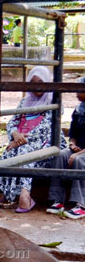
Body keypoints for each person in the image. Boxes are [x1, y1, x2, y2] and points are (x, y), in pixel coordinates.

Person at [0, 66, 67, 213]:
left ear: (48, 82)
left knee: (24, 152)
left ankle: (25, 195)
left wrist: (19, 141)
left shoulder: (53, 102)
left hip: (47, 146)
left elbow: (43, 130)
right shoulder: (25, 101)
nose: (37, 86)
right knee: (8, 153)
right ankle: (5, 193)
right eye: (33, 82)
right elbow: (12, 121)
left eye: (41, 82)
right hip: (23, 142)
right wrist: (15, 134)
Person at [47, 77, 85, 220]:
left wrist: (78, 154)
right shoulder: (79, 110)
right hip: (78, 149)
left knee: (79, 161)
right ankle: (56, 200)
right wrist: (72, 145)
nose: (76, 92)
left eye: (80, 89)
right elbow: (73, 133)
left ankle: (81, 205)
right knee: (61, 155)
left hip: (83, 153)